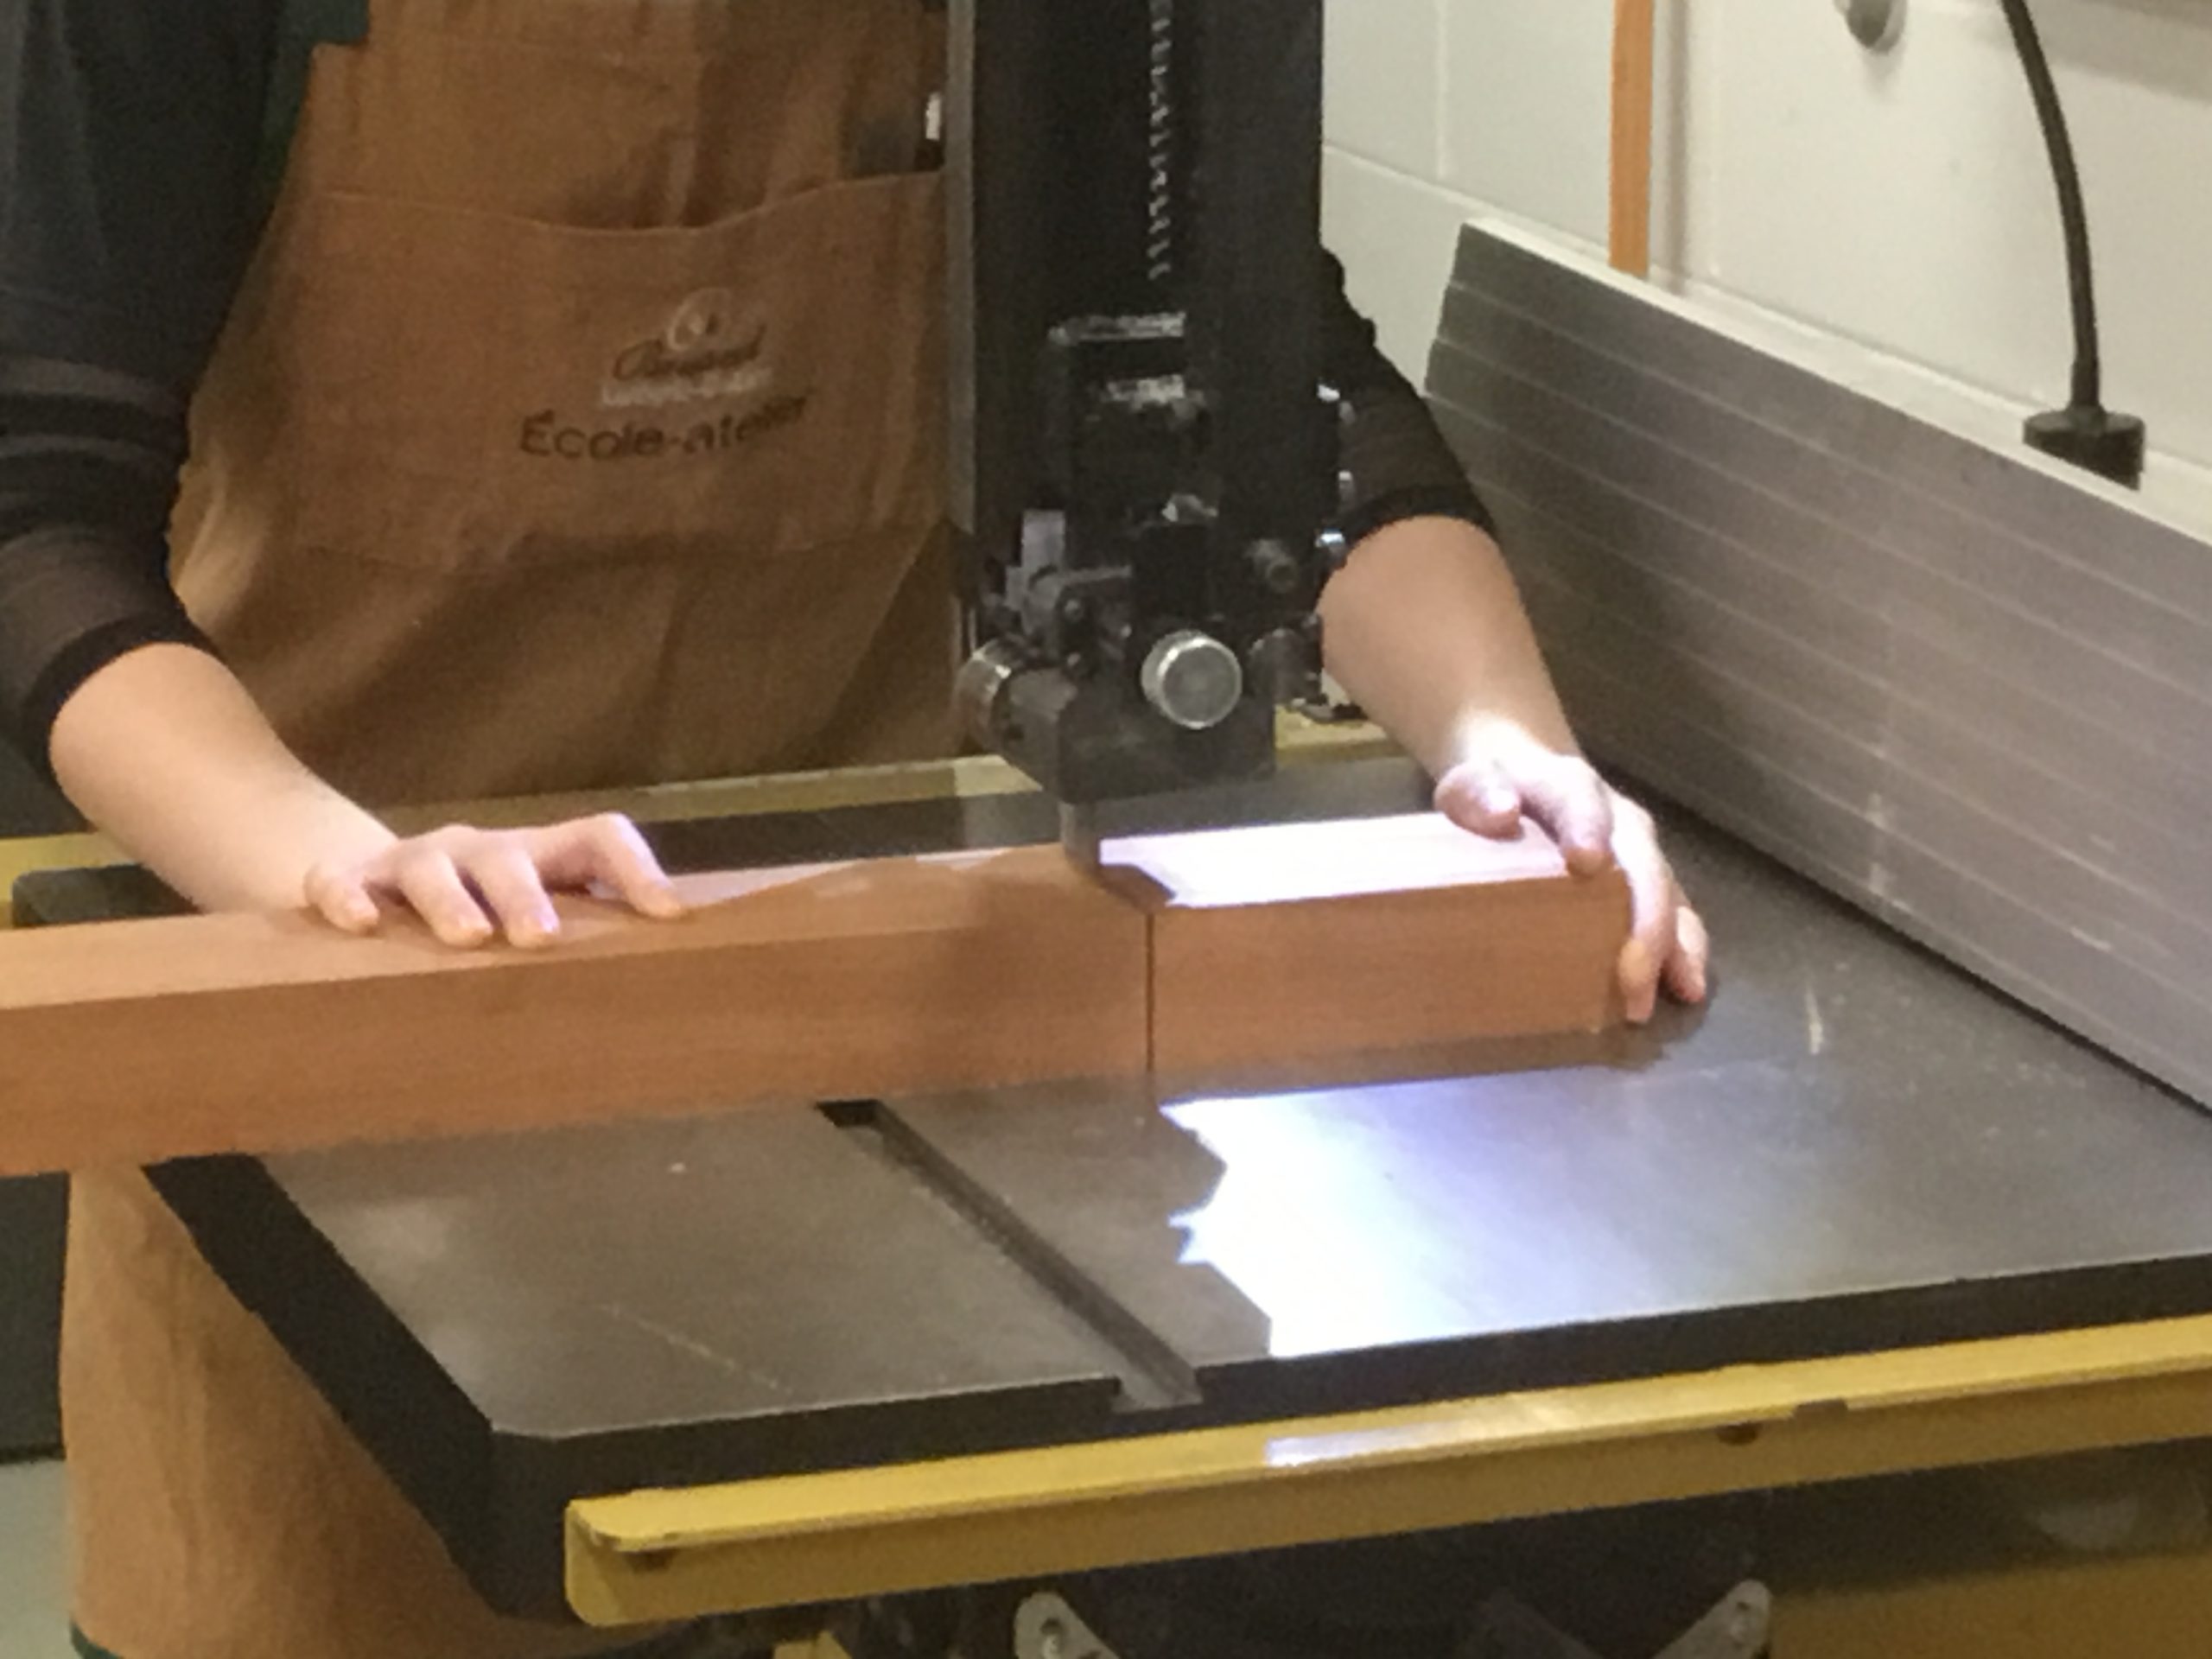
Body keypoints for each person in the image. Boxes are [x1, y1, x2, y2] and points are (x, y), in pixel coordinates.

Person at [0, 3, 1710, 1656]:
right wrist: (323, 858)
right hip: (352, 1081)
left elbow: (1270, 385)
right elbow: (35, 510)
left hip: (885, 1155)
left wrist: (1506, 742)